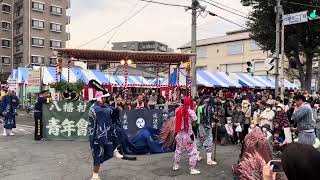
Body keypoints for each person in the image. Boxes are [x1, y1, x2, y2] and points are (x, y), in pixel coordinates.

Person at [88, 91, 127, 180]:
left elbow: (110, 109)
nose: (105, 99)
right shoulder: (94, 108)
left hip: (105, 131)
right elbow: (103, 112)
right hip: (96, 135)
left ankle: (114, 149)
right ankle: (95, 175)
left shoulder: (102, 106)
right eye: (104, 98)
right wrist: (111, 109)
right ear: (99, 99)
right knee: (97, 153)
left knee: (118, 132)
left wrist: (116, 108)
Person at [173, 97, 201, 175]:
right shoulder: (190, 111)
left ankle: (176, 165)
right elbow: (195, 119)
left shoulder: (177, 110)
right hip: (188, 135)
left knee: (178, 151)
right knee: (192, 152)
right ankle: (192, 169)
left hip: (179, 135)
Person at [196, 97, 217, 165]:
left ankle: (196, 156)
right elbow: (212, 117)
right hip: (207, 127)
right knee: (209, 141)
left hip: (200, 126)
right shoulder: (210, 108)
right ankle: (209, 160)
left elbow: (197, 118)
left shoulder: (198, 107)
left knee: (199, 141)